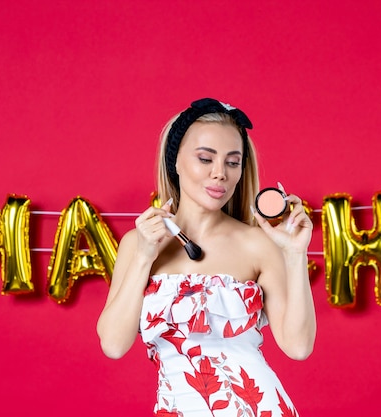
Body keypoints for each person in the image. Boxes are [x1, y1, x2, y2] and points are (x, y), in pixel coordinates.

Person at [97, 98, 316, 416]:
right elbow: (113, 345)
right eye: (205, 158)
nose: (220, 174)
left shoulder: (257, 244)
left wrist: (296, 254)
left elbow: (298, 347)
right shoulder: (138, 243)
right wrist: (145, 256)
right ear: (176, 162)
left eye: (232, 162)